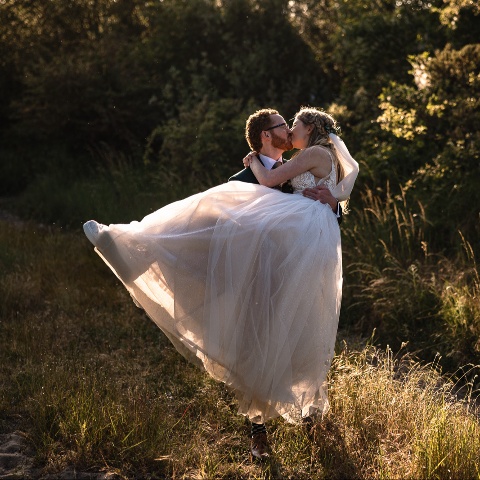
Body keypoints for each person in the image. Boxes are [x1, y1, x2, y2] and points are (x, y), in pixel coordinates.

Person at [83, 106, 359, 461]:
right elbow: (213, 232)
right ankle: (259, 435)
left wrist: (333, 203)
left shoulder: (303, 162)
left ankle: (310, 420)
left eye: (293, 126)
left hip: (296, 271)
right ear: (266, 136)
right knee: (253, 344)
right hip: (254, 282)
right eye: (283, 127)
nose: (289, 132)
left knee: (303, 334)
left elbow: (321, 202)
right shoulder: (240, 183)